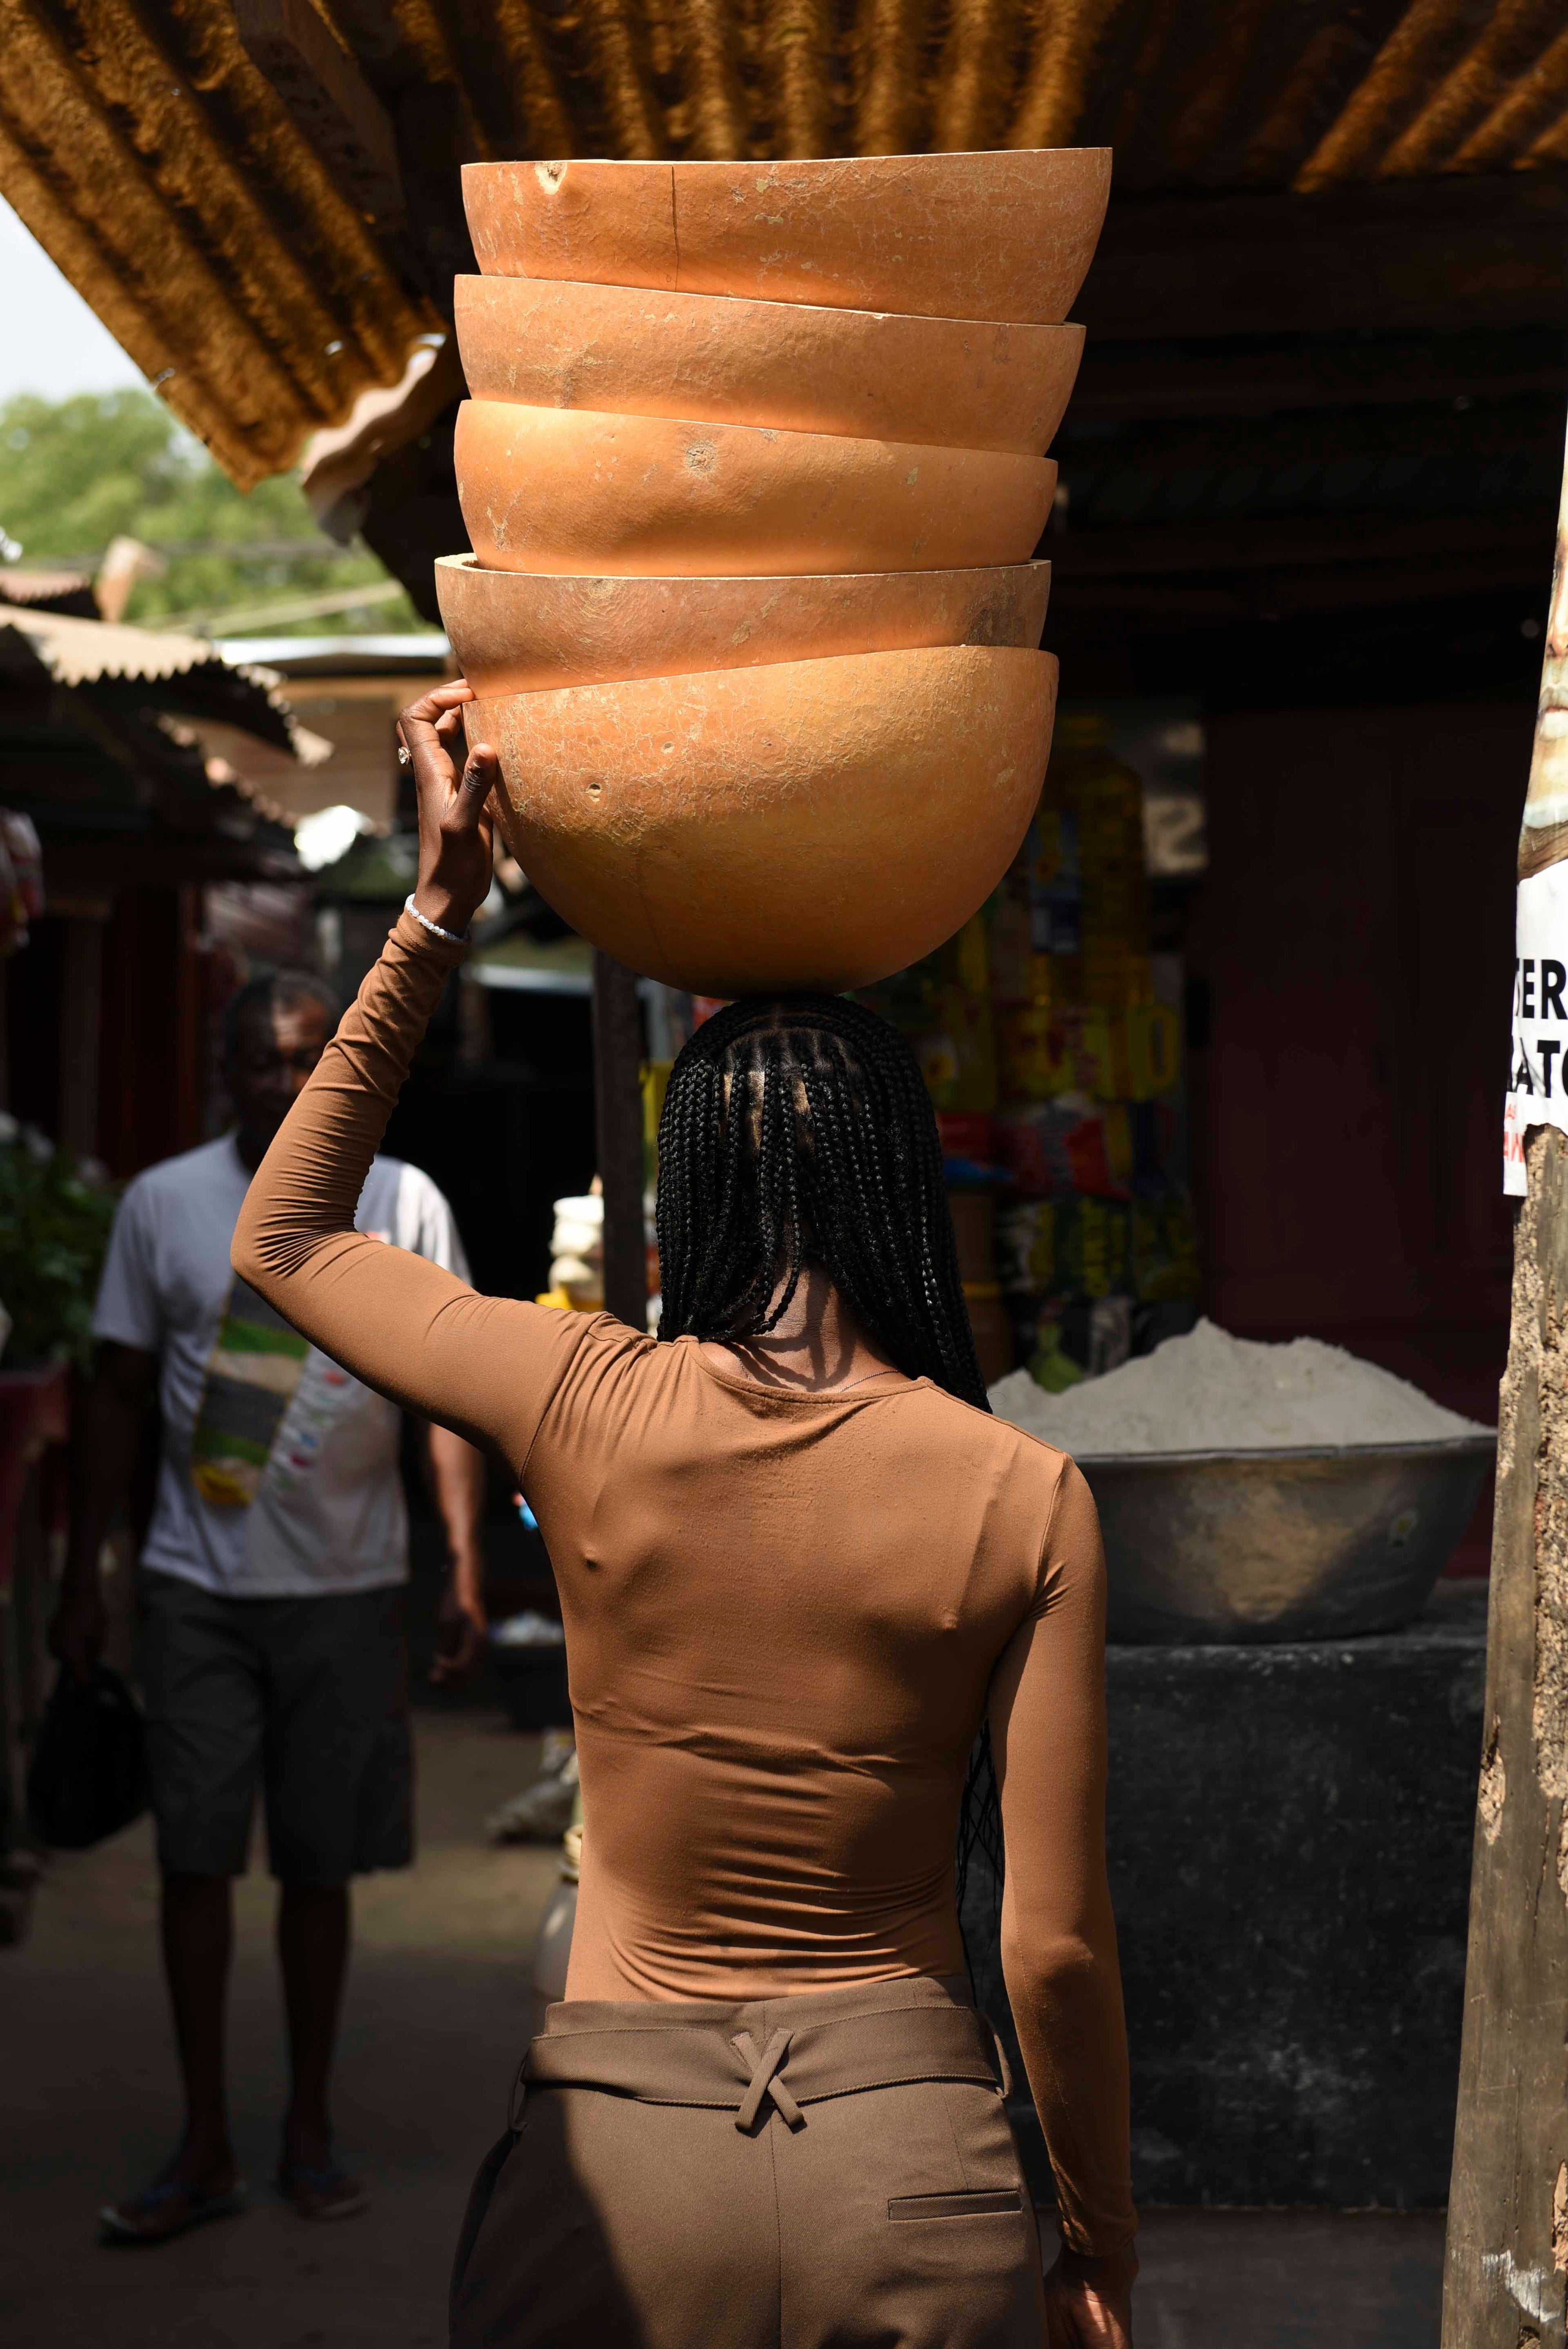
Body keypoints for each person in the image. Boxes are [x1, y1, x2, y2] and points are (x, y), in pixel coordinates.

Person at [231, 685, 1137, 2349]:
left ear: (691, 1188)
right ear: (905, 1190)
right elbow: (1056, 1947)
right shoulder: (1026, 1494)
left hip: (616, 2184)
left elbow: (283, 1238)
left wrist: (437, 912)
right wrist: (1095, 2245)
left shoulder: (584, 1398)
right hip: (908, 2177)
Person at [52, 968, 489, 2242]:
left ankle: (307, 2126)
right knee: (193, 1860)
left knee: (318, 1866)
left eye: (311, 1058)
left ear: (343, 1066)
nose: (289, 1084)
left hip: (348, 1589)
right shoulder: (165, 1204)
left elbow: (448, 1393)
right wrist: (85, 1579)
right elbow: (117, 1396)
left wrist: (463, 1561)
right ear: (224, 1075)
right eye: (263, 1061)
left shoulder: (403, 1202)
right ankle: (203, 2142)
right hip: (196, 1586)